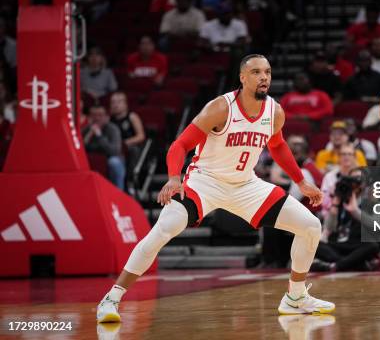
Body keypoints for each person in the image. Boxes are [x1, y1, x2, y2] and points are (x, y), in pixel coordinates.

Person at [97, 55, 334, 323]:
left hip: (246, 184)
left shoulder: (274, 111)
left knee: (310, 226)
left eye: (267, 71)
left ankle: (295, 297)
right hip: (204, 182)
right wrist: (174, 177)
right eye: (256, 72)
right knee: (161, 232)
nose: (264, 77)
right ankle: (111, 299)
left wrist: (301, 181)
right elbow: (180, 145)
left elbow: (277, 146)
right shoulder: (221, 108)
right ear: (243, 78)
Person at [313, 167, 380, 272]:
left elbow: (376, 224)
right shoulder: (341, 198)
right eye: (351, 179)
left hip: (358, 245)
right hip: (340, 244)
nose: (354, 182)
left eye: (358, 178)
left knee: (373, 246)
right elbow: (329, 228)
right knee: (314, 244)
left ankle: (335, 265)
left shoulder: (373, 202)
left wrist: (356, 211)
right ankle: (354, 264)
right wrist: (334, 205)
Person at [83, 105, 126, 190]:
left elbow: (114, 151)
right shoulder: (86, 130)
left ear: (107, 117)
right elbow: (79, 149)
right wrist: (89, 135)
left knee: (114, 162)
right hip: (92, 160)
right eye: (94, 115)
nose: (97, 118)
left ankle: (118, 193)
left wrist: (99, 136)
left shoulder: (113, 129)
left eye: (100, 115)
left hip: (110, 159)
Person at [109, 92, 146, 178]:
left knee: (132, 151)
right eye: (113, 102)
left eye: (119, 102)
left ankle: (131, 179)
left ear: (125, 104)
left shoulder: (132, 116)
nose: (115, 105)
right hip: (116, 149)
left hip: (129, 147)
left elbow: (141, 136)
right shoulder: (109, 120)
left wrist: (124, 143)